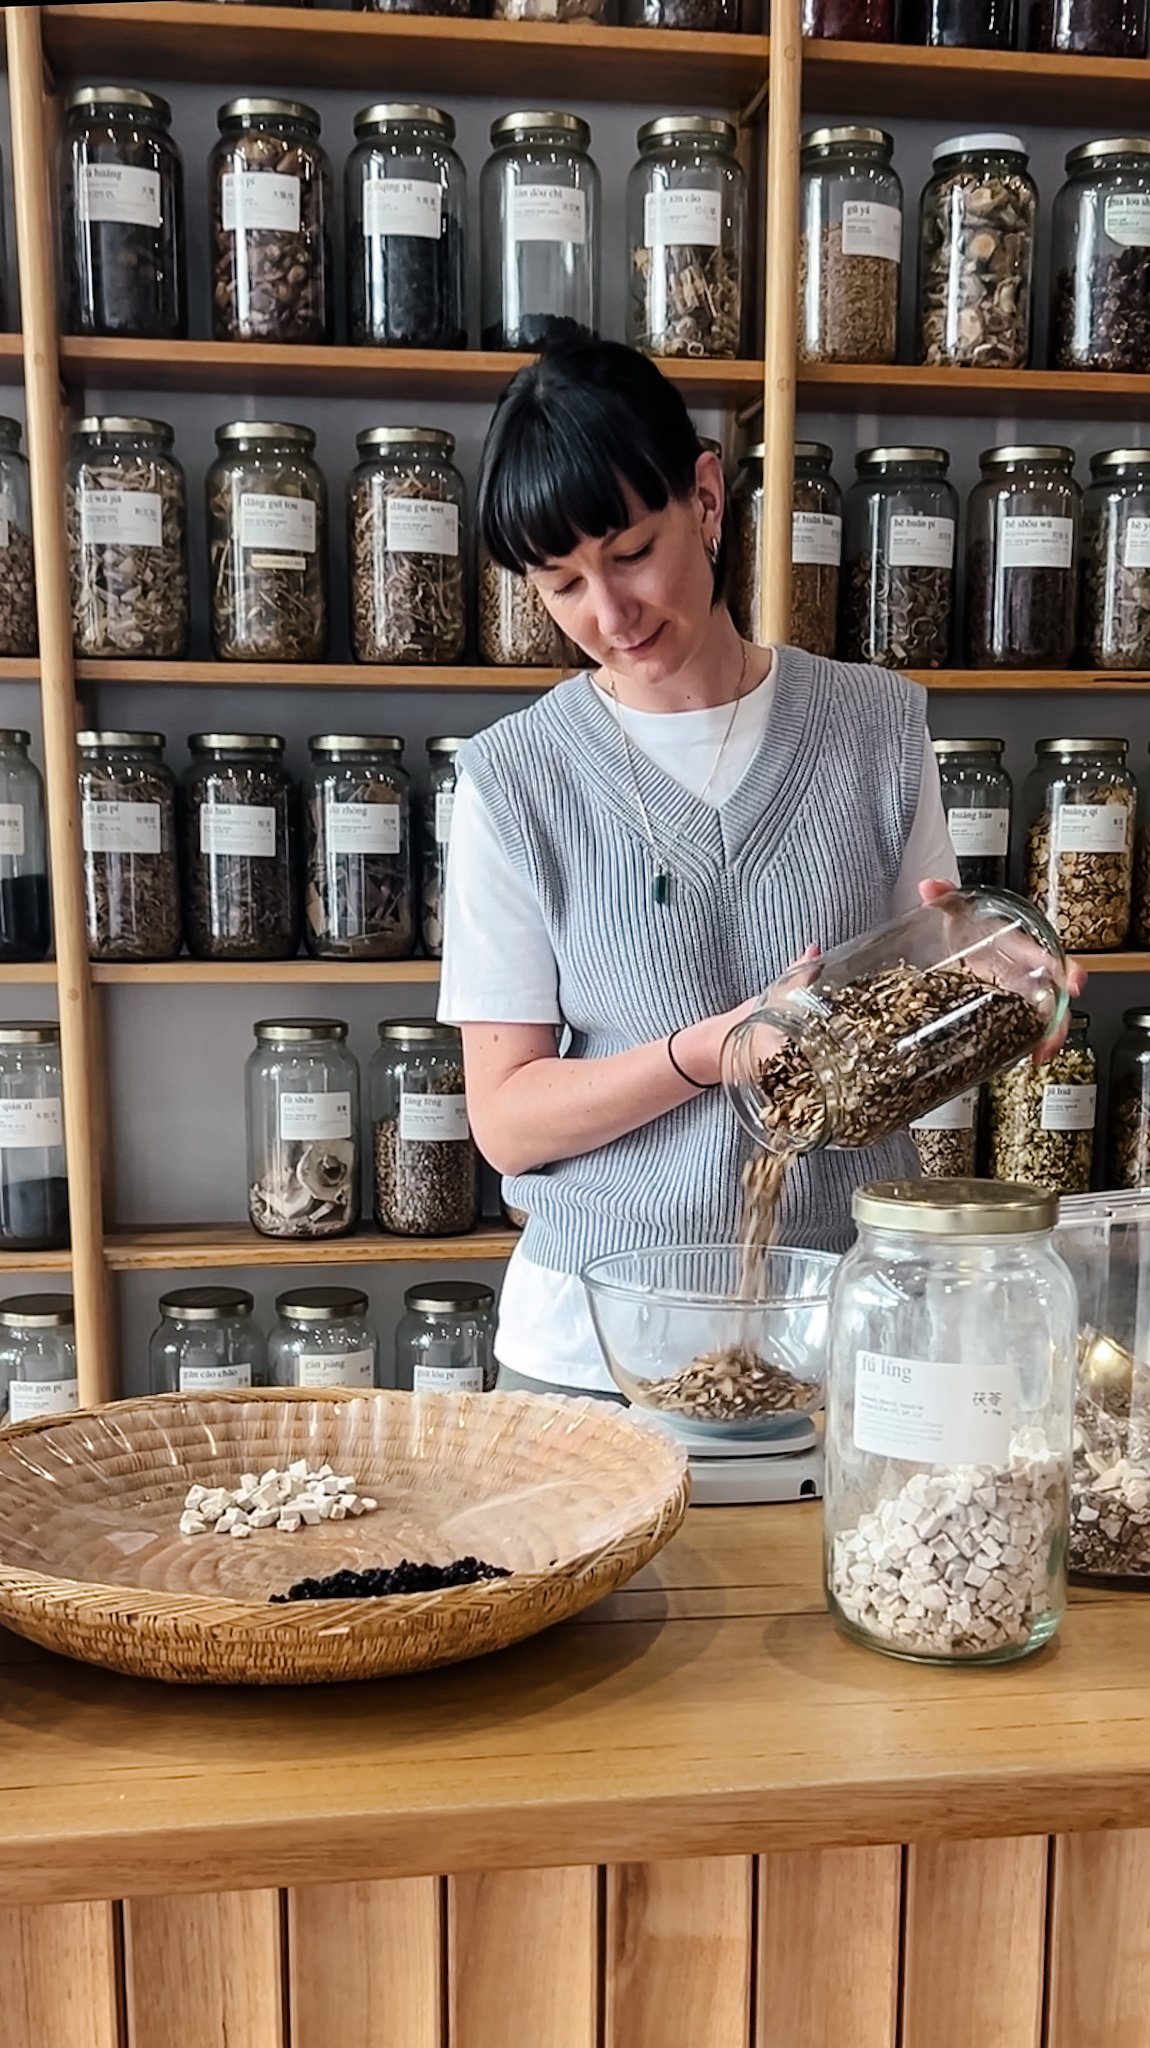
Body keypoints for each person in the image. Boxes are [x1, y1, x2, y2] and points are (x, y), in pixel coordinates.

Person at [437, 341, 1038, 1397]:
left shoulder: (875, 724)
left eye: (629, 552)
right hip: (593, 1350)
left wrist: (1006, 984)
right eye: (561, 583)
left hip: (842, 1331)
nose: (608, 615)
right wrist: (704, 1050)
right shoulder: (513, 777)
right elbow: (507, 1120)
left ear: (704, 498)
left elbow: (942, 969)